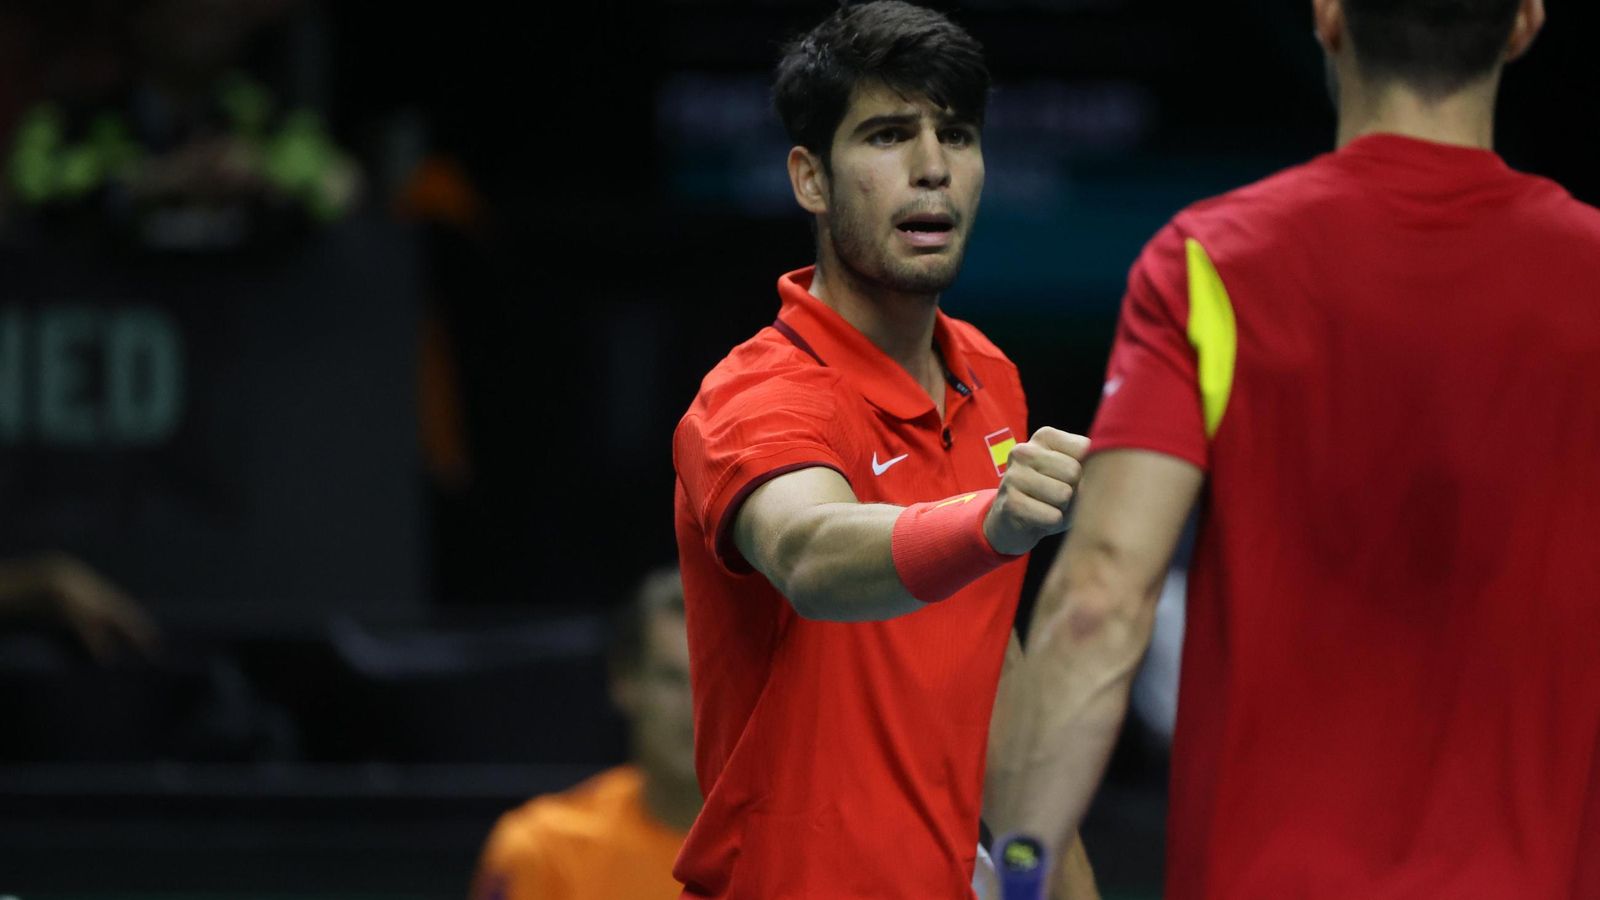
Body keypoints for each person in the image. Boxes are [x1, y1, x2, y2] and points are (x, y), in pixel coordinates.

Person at [987, 0, 1600, 897]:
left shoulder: (1211, 262)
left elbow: (1099, 597)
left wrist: (1024, 866)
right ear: (1524, 25)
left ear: (1328, 18)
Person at [672, 3, 1097, 897]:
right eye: (888, 135)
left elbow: (993, 678)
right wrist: (991, 521)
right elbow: (814, 556)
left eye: (958, 134)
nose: (934, 168)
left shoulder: (991, 378)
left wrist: (1056, 881)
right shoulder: (755, 398)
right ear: (811, 179)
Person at [471, 567, 700, 900]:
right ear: (624, 680)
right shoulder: (543, 850)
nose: (693, 704)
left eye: (709, 678)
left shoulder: (789, 849)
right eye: (670, 678)